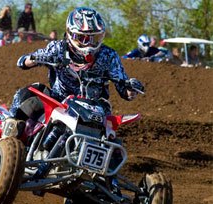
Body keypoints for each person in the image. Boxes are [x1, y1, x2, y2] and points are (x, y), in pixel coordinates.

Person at [8, 7, 144, 143]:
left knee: (113, 141)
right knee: (33, 91)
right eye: (83, 38)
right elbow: (21, 63)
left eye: (94, 38)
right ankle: (9, 132)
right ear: (71, 34)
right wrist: (34, 59)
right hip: (59, 101)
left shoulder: (108, 56)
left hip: (95, 109)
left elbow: (124, 91)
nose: (89, 44)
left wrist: (131, 89)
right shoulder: (58, 49)